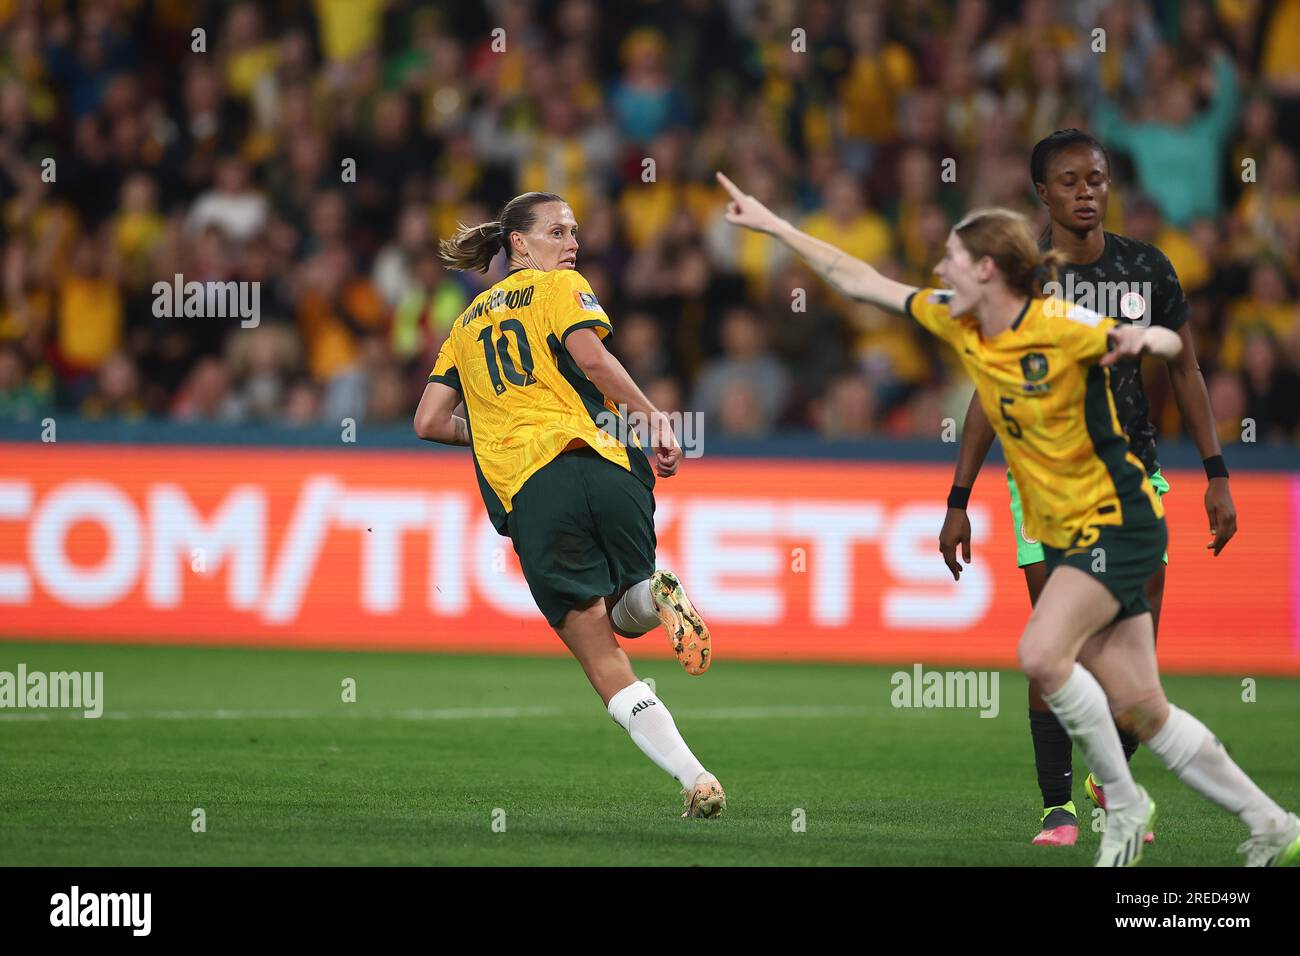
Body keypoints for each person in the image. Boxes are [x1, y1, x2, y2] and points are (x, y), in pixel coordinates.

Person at [717, 171, 1300, 867]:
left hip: (1116, 521)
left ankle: (1122, 798)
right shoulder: (960, 319)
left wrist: (1145, 344)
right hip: (1068, 526)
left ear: (986, 269)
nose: (939, 270)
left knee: (1040, 654)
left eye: (953, 261)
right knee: (1144, 704)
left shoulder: (1062, 326)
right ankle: (1273, 822)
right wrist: (775, 226)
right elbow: (860, 280)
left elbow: (1175, 348)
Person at [937, 129, 1238, 846]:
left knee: (1134, 653)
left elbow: (1185, 371)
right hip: (1041, 483)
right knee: (1055, 641)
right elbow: (988, 391)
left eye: (1096, 179)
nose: (1086, 192)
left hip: (1133, 477)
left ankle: (1114, 785)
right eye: (1069, 181)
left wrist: (1217, 473)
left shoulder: (1148, 267)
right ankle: (1057, 806)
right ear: (1042, 191)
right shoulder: (1024, 279)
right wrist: (957, 500)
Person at [414, 191, 725, 818]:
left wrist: (494, 429)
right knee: (628, 605)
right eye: (558, 231)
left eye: (575, 232)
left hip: (535, 488)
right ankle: (656, 591)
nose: (573, 243)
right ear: (520, 244)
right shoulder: (559, 289)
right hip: (608, 462)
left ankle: (696, 779)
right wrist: (655, 419)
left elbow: (427, 421)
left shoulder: (467, 323)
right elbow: (591, 356)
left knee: (603, 653)